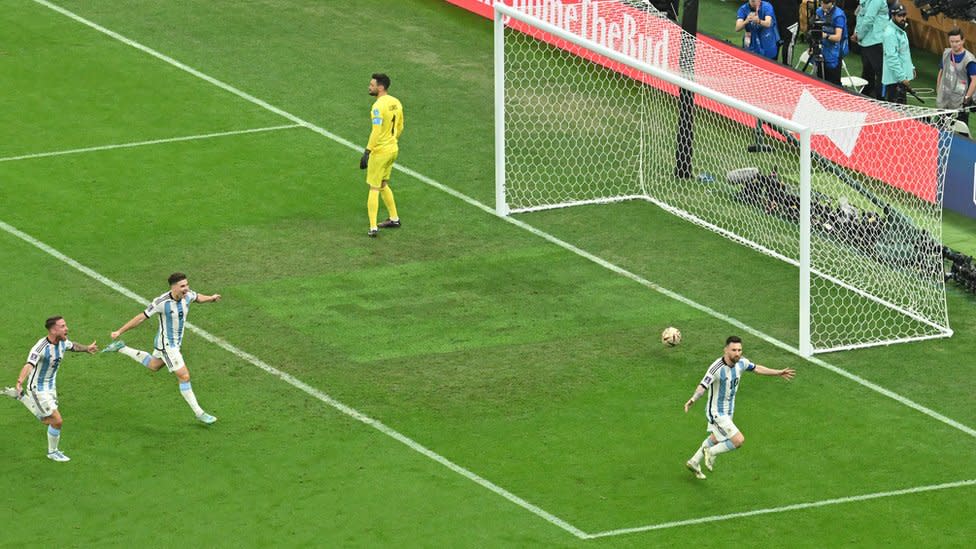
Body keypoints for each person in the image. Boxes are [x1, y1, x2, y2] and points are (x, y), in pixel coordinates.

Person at [101, 272, 220, 424]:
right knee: (184, 376)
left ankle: (121, 348)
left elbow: (198, 297)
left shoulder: (188, 295)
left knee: (154, 365)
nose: (186, 288)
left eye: (187, 285)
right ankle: (199, 412)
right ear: (174, 287)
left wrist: (211, 298)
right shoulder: (161, 302)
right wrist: (120, 331)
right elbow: (141, 317)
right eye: (182, 286)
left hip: (174, 343)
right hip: (167, 345)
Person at [683, 336, 795, 480]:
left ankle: (694, 462)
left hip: (729, 411)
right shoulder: (716, 368)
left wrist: (778, 372)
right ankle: (710, 452)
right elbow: (703, 386)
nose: (737, 353)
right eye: (734, 350)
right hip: (716, 412)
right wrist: (693, 399)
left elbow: (757, 368)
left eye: (739, 350)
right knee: (738, 440)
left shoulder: (741, 363)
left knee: (716, 437)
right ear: (726, 350)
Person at [2, 316, 97, 462]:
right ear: (53, 330)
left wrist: (86, 348)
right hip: (37, 389)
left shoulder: (62, 342)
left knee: (52, 420)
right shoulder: (40, 347)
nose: (67, 329)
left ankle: (19, 397)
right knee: (56, 420)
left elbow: (73, 346)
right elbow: (29, 364)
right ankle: (52, 452)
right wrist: (20, 380)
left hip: (51, 387)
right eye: (63, 326)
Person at [361, 73, 404, 238]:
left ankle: (373, 227)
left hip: (380, 152)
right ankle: (394, 218)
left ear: (380, 87)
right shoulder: (396, 102)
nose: (369, 87)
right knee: (383, 183)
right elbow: (400, 126)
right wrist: (392, 140)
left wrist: (367, 151)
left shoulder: (378, 107)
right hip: (393, 149)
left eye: (372, 85)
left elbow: (376, 131)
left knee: (373, 187)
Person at [937, 28, 976, 126]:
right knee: (941, 125)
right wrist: (938, 89)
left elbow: (974, 80)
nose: (954, 44)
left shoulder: (969, 59)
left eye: (957, 41)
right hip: (945, 97)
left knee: (961, 128)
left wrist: (967, 98)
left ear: (963, 41)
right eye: (952, 41)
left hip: (960, 99)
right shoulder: (946, 53)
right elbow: (941, 71)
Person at [852, 0, 889, 99]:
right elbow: (864, 17)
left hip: (870, 41)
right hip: (873, 41)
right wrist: (858, 34)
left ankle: (870, 97)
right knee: (876, 73)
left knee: (871, 73)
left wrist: (858, 34)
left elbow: (866, 18)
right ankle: (877, 99)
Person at [881, 3, 914, 104]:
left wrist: (911, 67)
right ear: (893, 16)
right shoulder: (890, 34)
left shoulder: (900, 30)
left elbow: (904, 53)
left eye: (904, 15)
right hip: (895, 81)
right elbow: (892, 58)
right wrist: (902, 78)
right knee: (897, 112)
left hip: (899, 79)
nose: (903, 18)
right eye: (900, 16)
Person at [814, 0, 849, 85]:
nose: (823, 5)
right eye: (821, 2)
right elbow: (815, 30)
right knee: (820, 80)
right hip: (821, 50)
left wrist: (825, 35)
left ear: (832, 2)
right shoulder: (819, 11)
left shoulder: (839, 15)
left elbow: (838, 37)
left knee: (833, 83)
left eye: (826, 3)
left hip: (835, 52)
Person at [770, 0, 800, 64]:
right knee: (788, 43)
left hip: (775, 15)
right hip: (790, 17)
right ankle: (787, 68)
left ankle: (771, 66)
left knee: (775, 41)